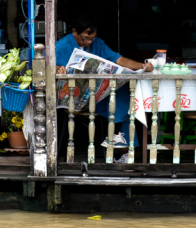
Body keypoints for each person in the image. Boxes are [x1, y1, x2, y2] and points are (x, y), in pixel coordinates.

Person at [56, 13, 152, 161]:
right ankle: (117, 142)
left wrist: (142, 66)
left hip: (95, 97)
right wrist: (56, 68)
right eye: (85, 38)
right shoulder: (61, 46)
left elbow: (118, 59)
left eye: (92, 38)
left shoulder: (98, 43)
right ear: (74, 32)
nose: (89, 41)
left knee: (124, 92)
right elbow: (40, 63)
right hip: (73, 98)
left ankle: (120, 146)